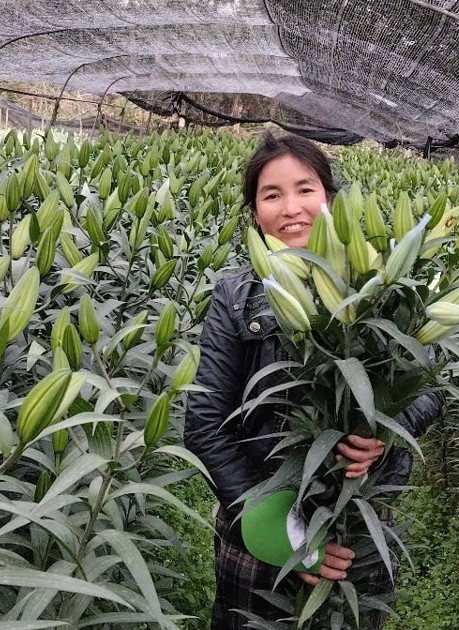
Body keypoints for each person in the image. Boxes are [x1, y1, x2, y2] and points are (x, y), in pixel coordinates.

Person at [183, 132, 443, 629]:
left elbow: (428, 386)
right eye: (271, 194)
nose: (290, 208)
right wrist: (289, 538)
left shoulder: (377, 282)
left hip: (354, 522)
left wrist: (386, 434)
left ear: (330, 197)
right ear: (254, 212)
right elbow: (204, 424)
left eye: (305, 189)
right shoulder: (236, 295)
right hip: (260, 525)